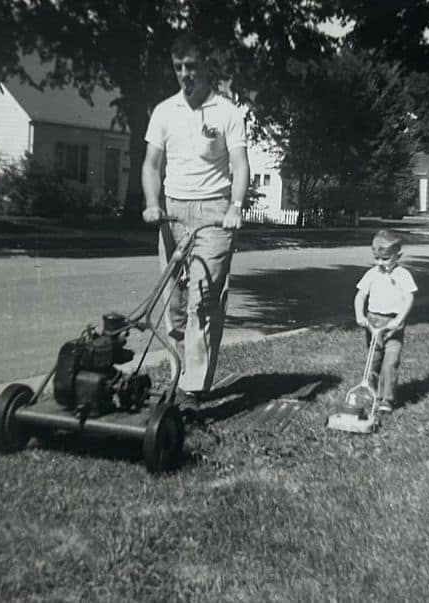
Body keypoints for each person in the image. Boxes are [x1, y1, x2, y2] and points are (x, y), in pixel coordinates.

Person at [141, 32, 250, 399]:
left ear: (206, 67)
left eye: (191, 67)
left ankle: (193, 390)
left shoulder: (227, 113)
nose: (185, 75)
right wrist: (152, 202)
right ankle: (176, 375)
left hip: (214, 214)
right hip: (172, 212)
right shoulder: (163, 112)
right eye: (177, 68)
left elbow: (240, 164)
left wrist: (235, 207)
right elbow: (151, 165)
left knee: (201, 300)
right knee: (172, 300)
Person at [353, 229, 417, 412]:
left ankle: (386, 400)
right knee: (373, 361)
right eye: (377, 258)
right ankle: (371, 393)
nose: (380, 263)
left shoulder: (403, 275)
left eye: (385, 259)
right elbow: (360, 296)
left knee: (390, 362)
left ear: (398, 255)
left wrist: (399, 319)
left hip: (393, 325)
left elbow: (409, 299)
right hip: (373, 322)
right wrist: (360, 315)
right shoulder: (372, 274)